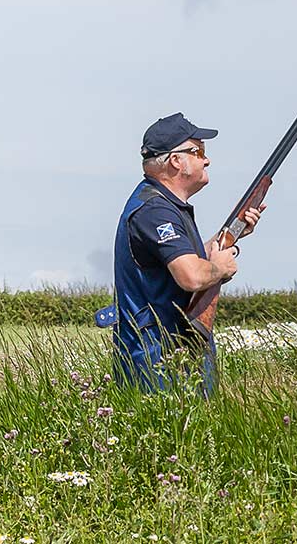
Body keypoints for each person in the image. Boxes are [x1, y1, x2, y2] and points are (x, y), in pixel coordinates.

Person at [111, 113, 264, 396]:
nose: (206, 160)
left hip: (171, 354)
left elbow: (181, 258)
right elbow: (191, 276)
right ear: (175, 161)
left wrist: (232, 235)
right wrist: (219, 268)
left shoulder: (164, 206)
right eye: (198, 151)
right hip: (159, 361)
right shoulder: (156, 212)